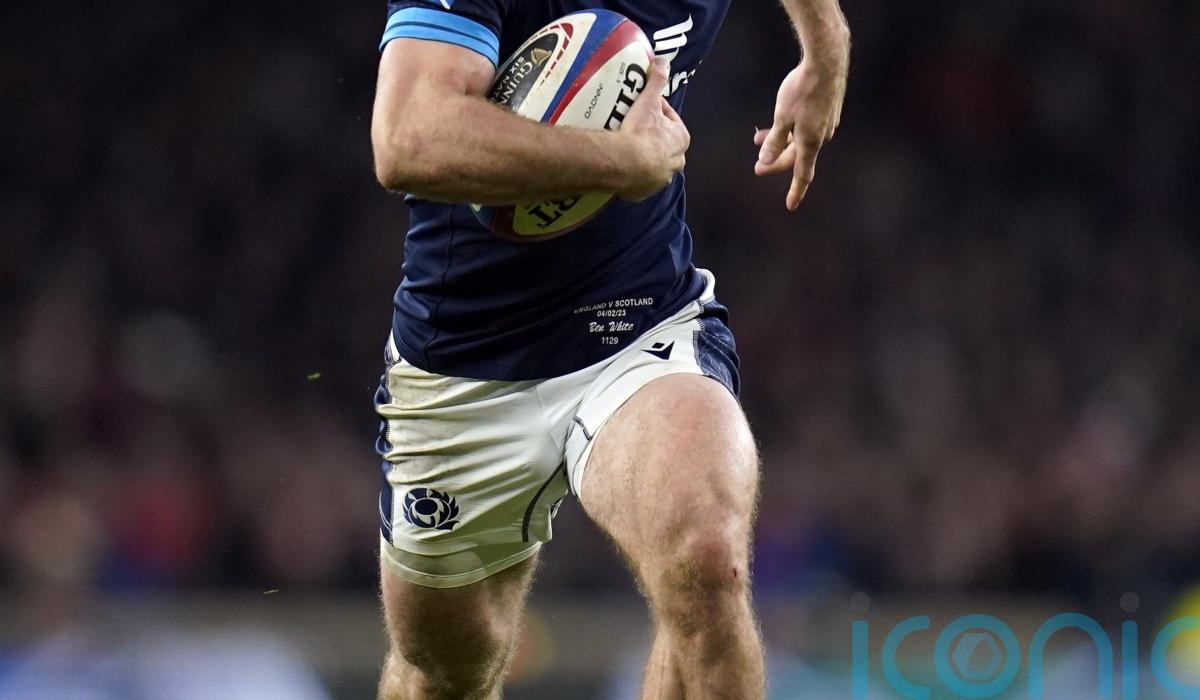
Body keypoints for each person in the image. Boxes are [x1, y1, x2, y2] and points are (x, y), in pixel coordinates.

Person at [369, 0, 849, 695]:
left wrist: (825, 51)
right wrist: (620, 160)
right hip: (466, 357)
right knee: (445, 668)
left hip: (637, 319)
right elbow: (409, 137)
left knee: (706, 560)